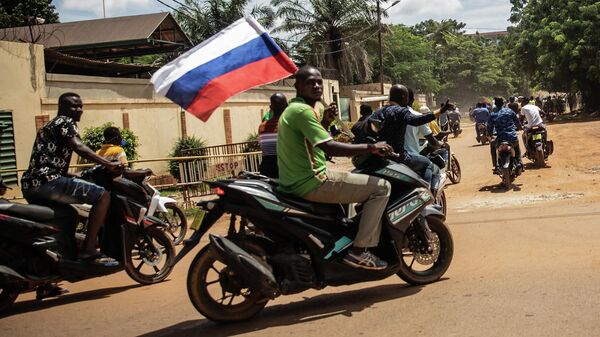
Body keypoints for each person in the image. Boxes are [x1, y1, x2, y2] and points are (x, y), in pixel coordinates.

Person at [277, 66, 393, 270]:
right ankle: (359, 251)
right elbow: (329, 146)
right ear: (297, 86)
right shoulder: (303, 112)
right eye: (309, 82)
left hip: (299, 179)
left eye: (319, 82)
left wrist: (325, 122)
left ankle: (344, 239)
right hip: (313, 180)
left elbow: (308, 143)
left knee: (351, 178)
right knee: (382, 187)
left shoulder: (297, 109)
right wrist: (371, 147)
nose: (316, 86)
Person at [21, 92, 122, 266]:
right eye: (74, 106)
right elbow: (79, 147)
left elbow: (47, 160)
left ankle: (57, 263)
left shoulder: (50, 126)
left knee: (69, 213)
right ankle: (88, 249)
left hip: (32, 184)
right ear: (62, 108)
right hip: (48, 182)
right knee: (102, 196)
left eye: (80, 106)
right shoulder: (66, 122)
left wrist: (74, 175)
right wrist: (107, 164)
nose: (79, 110)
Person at [370, 85, 448, 191]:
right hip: (400, 156)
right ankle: (427, 195)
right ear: (403, 97)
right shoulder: (401, 111)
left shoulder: (378, 112)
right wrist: (440, 111)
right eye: (407, 97)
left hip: (382, 158)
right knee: (428, 163)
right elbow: (416, 120)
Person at [487, 97, 523, 174]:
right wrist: (520, 128)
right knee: (516, 146)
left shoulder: (492, 114)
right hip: (511, 137)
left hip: (500, 138)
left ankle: (496, 165)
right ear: (503, 103)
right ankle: (519, 162)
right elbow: (517, 123)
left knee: (492, 146)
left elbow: (489, 127)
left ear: (495, 104)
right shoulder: (510, 111)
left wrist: (489, 135)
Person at [258, 93, 288, 178]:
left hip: (266, 170)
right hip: (285, 170)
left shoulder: (262, 127)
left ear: (271, 107)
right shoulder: (288, 125)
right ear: (287, 107)